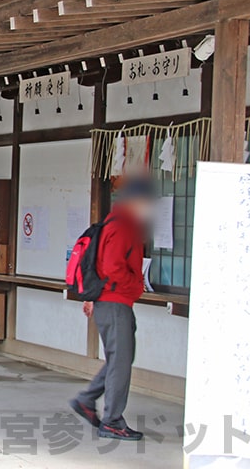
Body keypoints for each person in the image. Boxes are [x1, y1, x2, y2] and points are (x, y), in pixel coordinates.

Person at [69, 178, 154, 441]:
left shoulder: (118, 223)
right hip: (115, 302)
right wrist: (133, 287)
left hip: (114, 301)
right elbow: (112, 267)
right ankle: (112, 421)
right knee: (121, 362)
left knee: (120, 359)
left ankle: (87, 399)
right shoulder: (122, 227)